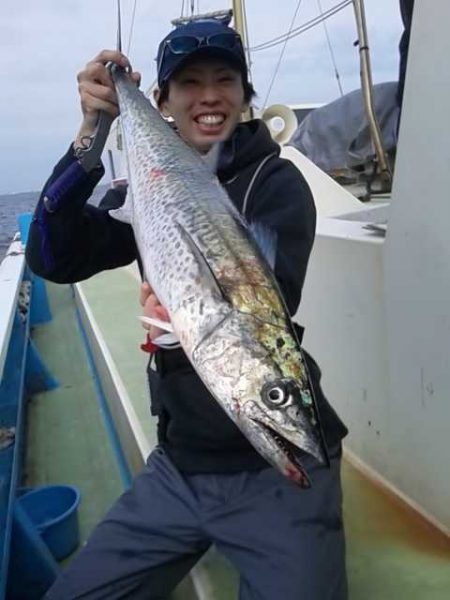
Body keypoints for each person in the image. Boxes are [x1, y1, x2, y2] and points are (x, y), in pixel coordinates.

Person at [26, 17, 348, 600]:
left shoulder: (276, 184)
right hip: (180, 463)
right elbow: (53, 256)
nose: (208, 96)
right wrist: (95, 129)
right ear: (163, 102)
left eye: (224, 79)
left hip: (279, 470)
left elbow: (267, 301)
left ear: (244, 94)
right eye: (188, 83)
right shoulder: (147, 189)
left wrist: (186, 324)